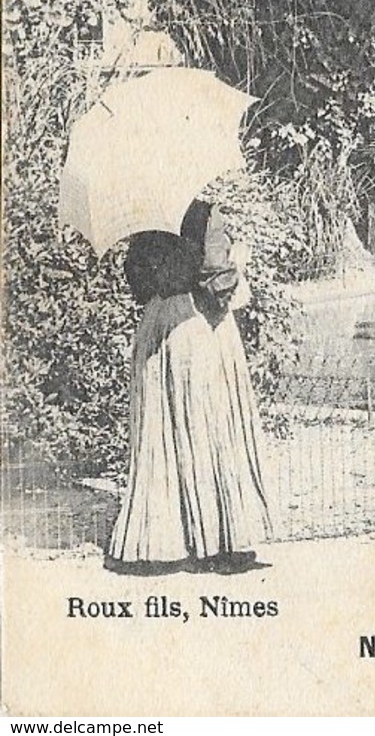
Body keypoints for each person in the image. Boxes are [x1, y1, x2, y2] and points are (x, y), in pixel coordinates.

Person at [106, 200, 272, 574]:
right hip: (198, 327)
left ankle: (160, 543)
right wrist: (239, 262)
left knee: (161, 432)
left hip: (158, 326)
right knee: (208, 428)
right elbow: (220, 280)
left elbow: (136, 281)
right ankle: (219, 542)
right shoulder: (203, 214)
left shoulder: (143, 219)